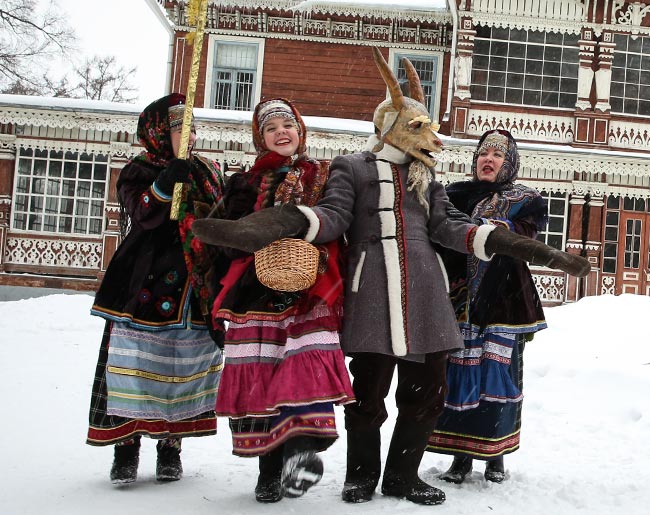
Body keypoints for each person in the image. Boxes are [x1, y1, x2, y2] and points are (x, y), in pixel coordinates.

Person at [190, 53, 589, 506]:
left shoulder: (427, 178)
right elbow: (333, 215)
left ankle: (402, 476)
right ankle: (361, 477)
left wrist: (536, 251)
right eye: (419, 127)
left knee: (426, 393)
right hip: (372, 295)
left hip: (425, 297)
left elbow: (451, 226)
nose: (433, 140)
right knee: (368, 395)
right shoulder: (352, 167)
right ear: (390, 125)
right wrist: (273, 225)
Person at [209, 98, 355, 502]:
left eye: (287, 124)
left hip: (309, 288)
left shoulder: (322, 176)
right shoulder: (243, 183)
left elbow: (336, 222)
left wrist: (306, 234)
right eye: (271, 128)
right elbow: (226, 238)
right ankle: (269, 471)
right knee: (264, 381)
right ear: (260, 138)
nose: (281, 132)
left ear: (300, 130)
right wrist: (252, 239)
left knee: (305, 369)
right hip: (255, 290)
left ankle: (301, 450)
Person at [87, 93, 225, 485]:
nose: (189, 135)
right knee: (134, 369)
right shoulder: (138, 169)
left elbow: (221, 219)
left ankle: (171, 446)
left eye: (192, 127)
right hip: (143, 286)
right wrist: (165, 182)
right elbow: (143, 212)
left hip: (194, 289)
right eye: (180, 127)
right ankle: (126, 448)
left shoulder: (209, 170)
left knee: (181, 369)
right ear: (159, 133)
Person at [427, 129, 549, 485]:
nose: (488, 160)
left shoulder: (527, 199)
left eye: (497, 155)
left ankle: (496, 455)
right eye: (483, 153)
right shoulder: (454, 194)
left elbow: (525, 237)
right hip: (459, 299)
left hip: (503, 301)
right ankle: (461, 458)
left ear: (509, 163)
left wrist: (497, 228)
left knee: (499, 378)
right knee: (460, 376)